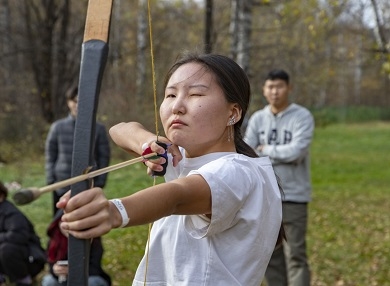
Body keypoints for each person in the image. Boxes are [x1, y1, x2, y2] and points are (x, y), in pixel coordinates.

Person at [57, 53, 283, 285]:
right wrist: (148, 143)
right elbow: (120, 130)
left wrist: (114, 211)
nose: (176, 106)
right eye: (171, 94)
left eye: (195, 94)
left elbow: (176, 196)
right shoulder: (181, 157)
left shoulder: (238, 170)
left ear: (232, 113)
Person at [244, 69, 314, 286]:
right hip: (265, 195)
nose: (275, 91)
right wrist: (272, 152)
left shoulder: (302, 116)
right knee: (270, 254)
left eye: (280, 86)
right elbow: (248, 152)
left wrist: (265, 149)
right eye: (270, 87)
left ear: (289, 88)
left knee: (295, 254)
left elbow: (297, 152)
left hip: (294, 196)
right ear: (264, 90)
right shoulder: (258, 119)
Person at [45, 86, 111, 216]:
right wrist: (50, 179)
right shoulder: (57, 127)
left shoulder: (98, 129)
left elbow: (104, 156)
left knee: (88, 221)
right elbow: (50, 154)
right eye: (75, 101)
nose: (77, 105)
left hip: (87, 184)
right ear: (68, 102)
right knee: (60, 224)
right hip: (60, 184)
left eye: (82, 101)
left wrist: (100, 181)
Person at [41, 210, 111, 286]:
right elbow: (50, 262)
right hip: (63, 279)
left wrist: (74, 271)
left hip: (88, 277)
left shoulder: (91, 239)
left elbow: (95, 267)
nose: (67, 227)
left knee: (92, 282)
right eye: (63, 222)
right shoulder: (55, 241)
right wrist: (55, 270)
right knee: (49, 281)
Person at [0, 181, 45, 286]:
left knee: (6, 249)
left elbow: (19, 236)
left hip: (29, 259)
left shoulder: (11, 213)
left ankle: (23, 280)